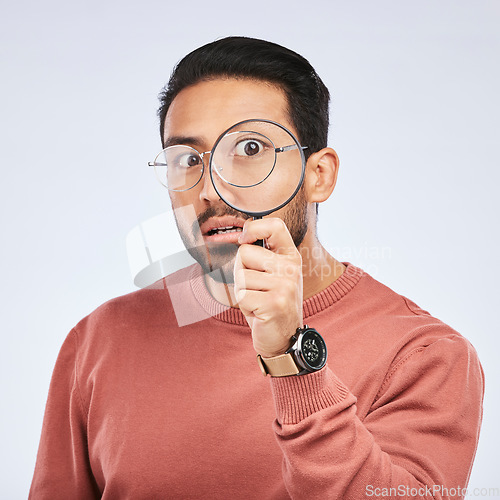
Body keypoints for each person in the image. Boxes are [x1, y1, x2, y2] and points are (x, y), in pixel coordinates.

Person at [29, 37, 483, 499]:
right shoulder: (100, 339)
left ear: (318, 175)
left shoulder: (426, 355)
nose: (211, 189)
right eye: (188, 159)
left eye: (249, 149)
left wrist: (292, 360)